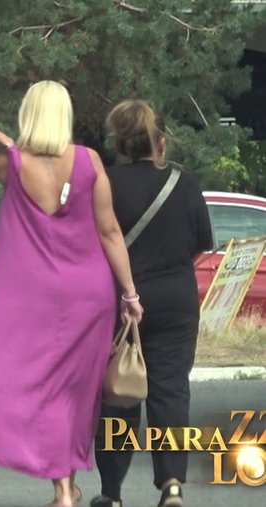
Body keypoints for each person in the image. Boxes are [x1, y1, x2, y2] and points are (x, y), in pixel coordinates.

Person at [0, 80, 144, 507]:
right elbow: (110, 231)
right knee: (72, 393)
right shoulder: (89, 161)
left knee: (7, 378)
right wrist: (130, 293)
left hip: (30, 298)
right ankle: (64, 490)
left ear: (29, 115)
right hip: (88, 295)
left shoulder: (11, 164)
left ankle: (58, 485)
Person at [90, 100, 213, 507]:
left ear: (118, 142)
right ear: (160, 142)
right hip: (176, 300)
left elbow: (95, 242)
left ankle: (111, 492)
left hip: (121, 302)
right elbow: (200, 243)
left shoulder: (104, 184)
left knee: (118, 394)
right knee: (171, 391)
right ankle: (172, 485)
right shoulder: (184, 183)